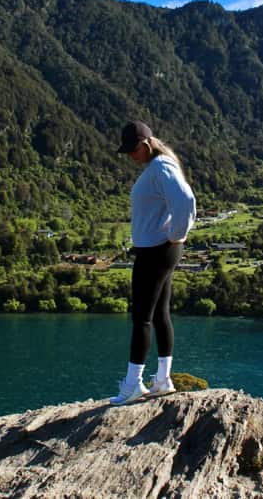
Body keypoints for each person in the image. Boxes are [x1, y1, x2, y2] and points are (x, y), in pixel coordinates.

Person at [109, 121, 196, 406]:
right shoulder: (160, 166)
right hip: (161, 250)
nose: (130, 157)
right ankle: (163, 380)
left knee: (142, 318)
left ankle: (133, 385)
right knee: (160, 314)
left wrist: (177, 234)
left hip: (156, 252)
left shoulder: (160, 168)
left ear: (145, 145)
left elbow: (185, 200)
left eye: (132, 151)